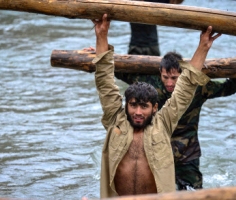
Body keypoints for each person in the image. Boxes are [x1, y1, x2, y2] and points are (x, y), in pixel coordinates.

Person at [91, 13, 220, 198]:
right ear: (126, 106)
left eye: (144, 107)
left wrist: (203, 47)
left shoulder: (163, 124)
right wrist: (101, 35)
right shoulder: (116, 121)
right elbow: (104, 79)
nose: (137, 112)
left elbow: (186, 87)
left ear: (155, 108)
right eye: (133, 105)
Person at [115, 53, 236, 190]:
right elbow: (118, 70)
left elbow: (229, 87)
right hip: (156, 150)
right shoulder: (149, 84)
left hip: (187, 152)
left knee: (194, 193)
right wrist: (100, 51)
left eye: (174, 78)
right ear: (160, 72)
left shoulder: (197, 87)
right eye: (165, 77)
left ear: (183, 74)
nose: (169, 83)